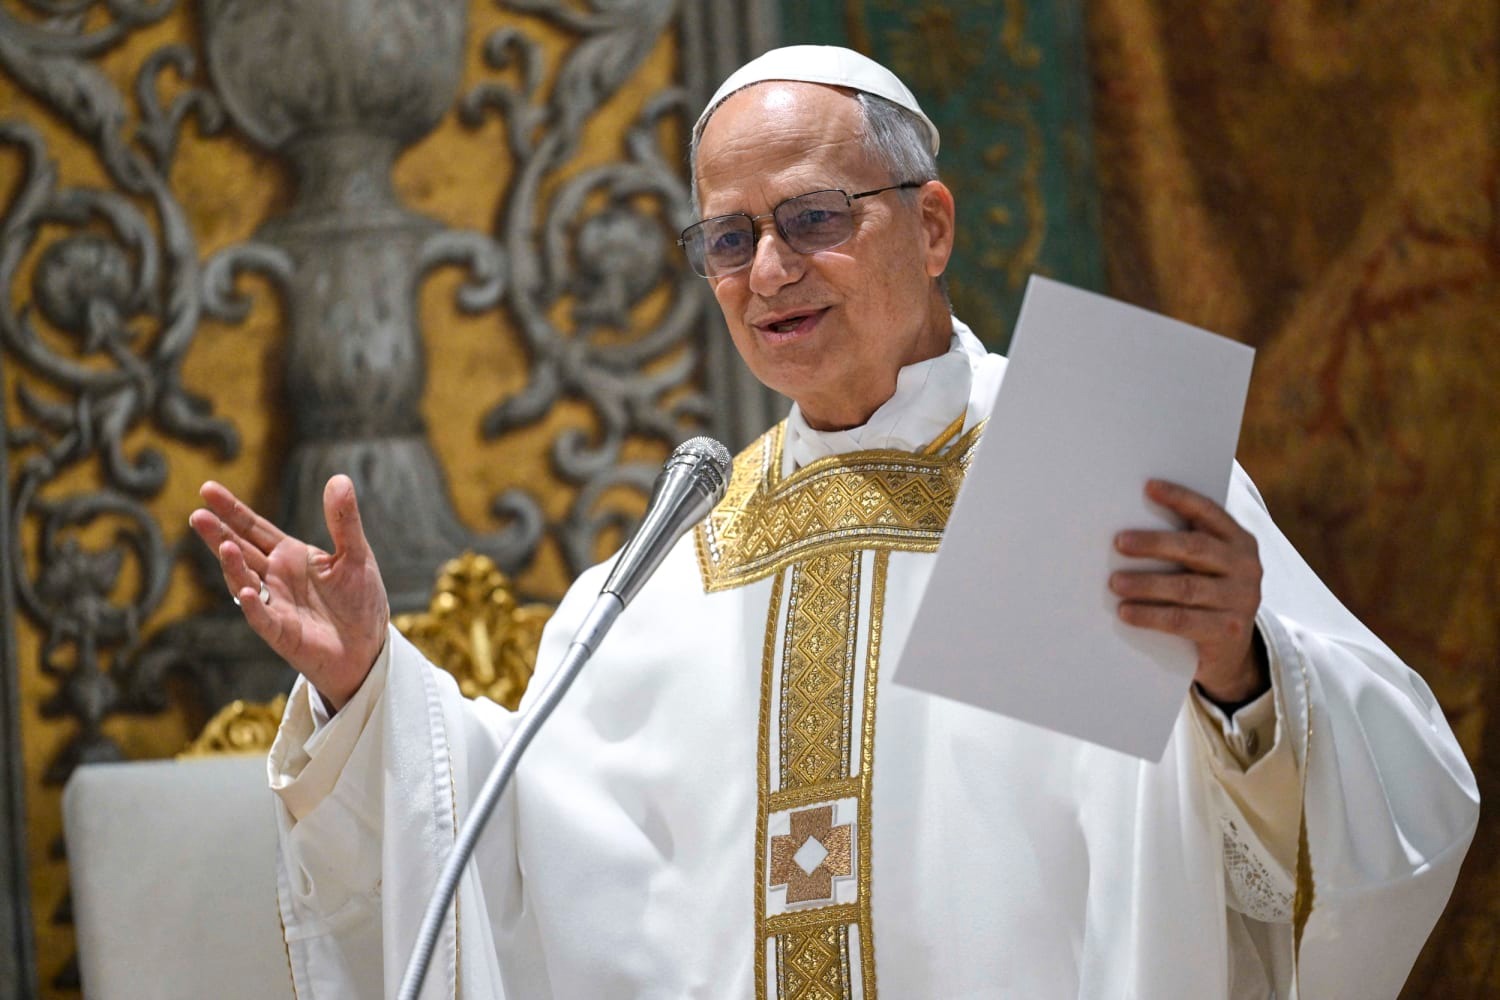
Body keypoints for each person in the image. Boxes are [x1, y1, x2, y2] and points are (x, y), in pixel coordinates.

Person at [191, 46, 1476, 999]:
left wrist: (1241, 674)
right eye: (729, 238)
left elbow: (1399, 790)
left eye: (811, 219)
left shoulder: (1098, 468)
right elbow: (513, 854)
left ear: (930, 222)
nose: (769, 272)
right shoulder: (675, 558)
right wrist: (368, 684)